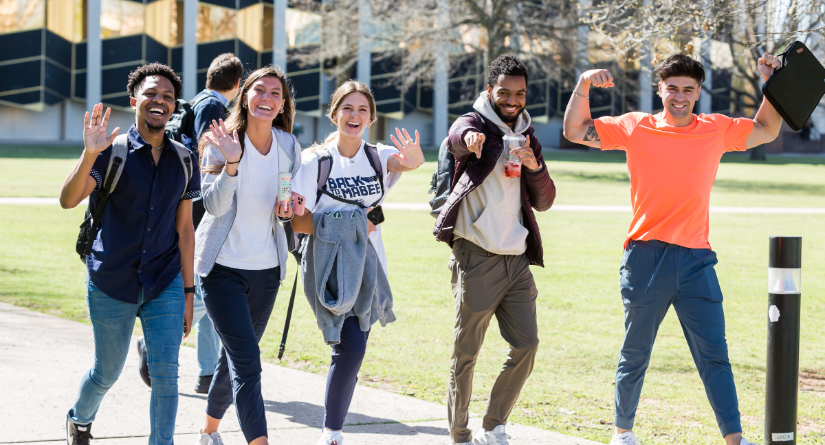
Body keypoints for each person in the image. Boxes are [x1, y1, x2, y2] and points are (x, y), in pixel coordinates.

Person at [562, 53, 782, 445]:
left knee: (715, 355)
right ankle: (622, 433)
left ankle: (735, 440)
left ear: (698, 93)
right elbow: (576, 130)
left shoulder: (715, 129)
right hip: (645, 259)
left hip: (697, 260)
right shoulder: (635, 126)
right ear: (659, 88)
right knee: (636, 353)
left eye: (688, 90)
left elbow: (766, 129)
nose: (679, 97)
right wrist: (583, 83)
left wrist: (773, 84)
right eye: (672, 88)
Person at [58, 63, 199, 445]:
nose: (160, 101)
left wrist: (188, 293)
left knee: (166, 374)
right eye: (152, 93)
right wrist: (89, 154)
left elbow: (185, 231)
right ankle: (80, 418)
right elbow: (68, 200)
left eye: (168, 97)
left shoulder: (185, 159)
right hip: (111, 280)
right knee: (107, 371)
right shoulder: (111, 152)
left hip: (164, 280)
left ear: (173, 108)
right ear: (135, 99)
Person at [290, 80, 425, 445]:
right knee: (349, 346)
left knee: (352, 346)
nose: (354, 115)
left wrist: (414, 160)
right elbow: (296, 220)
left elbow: (403, 165)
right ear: (334, 113)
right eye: (347, 108)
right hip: (328, 265)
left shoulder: (377, 157)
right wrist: (350, 224)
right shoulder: (313, 162)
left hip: (369, 266)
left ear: (371, 118)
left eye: (362, 110)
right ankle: (332, 432)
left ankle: (332, 431)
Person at [432, 54, 556, 445]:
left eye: (519, 94)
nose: (512, 100)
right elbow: (456, 138)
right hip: (477, 255)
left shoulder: (528, 134)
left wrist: (534, 166)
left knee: (527, 344)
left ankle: (494, 424)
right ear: (490, 91)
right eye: (504, 92)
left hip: (516, 259)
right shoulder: (474, 123)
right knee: (466, 351)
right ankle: (459, 432)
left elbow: (546, 200)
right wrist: (468, 142)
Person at [194, 66, 300, 445]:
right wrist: (233, 165)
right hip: (222, 270)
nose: (267, 98)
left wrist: (288, 210)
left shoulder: (289, 146)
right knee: (248, 365)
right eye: (260, 90)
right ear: (245, 96)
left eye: (275, 93)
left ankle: (208, 432)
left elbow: (284, 207)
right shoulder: (218, 141)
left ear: (283, 103)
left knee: (235, 359)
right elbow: (214, 205)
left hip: (267, 271)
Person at [137, 52, 243, 394]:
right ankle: (154, 342)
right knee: (206, 284)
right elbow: (203, 155)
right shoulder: (213, 107)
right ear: (238, 85)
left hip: (186, 206)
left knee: (212, 283)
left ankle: (207, 373)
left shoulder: (194, 101)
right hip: (200, 208)